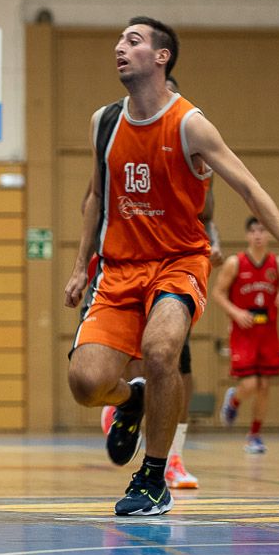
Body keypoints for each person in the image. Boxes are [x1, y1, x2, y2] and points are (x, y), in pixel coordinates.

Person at [64, 17, 279, 516]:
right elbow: (97, 198)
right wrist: (82, 263)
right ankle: (129, 400)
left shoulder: (190, 124)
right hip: (118, 269)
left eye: (133, 40)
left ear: (161, 56)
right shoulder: (103, 121)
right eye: (120, 39)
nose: (119, 47)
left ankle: (153, 477)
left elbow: (251, 188)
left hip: (177, 261)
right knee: (85, 384)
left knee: (161, 350)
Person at [96, 158, 222, 490]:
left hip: (175, 271)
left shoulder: (202, 158)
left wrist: (215, 246)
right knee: (136, 361)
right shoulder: (131, 152)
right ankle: (125, 401)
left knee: (178, 367)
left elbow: (207, 218)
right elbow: (95, 202)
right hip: (132, 267)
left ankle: (172, 458)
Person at [214, 217, 279, 454]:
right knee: (250, 382)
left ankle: (255, 435)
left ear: (269, 235)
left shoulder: (278, 264)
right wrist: (236, 312)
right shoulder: (235, 263)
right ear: (247, 236)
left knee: (264, 385)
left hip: (268, 331)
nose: (258, 235)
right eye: (253, 231)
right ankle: (234, 400)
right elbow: (218, 294)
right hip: (244, 331)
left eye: (262, 230)